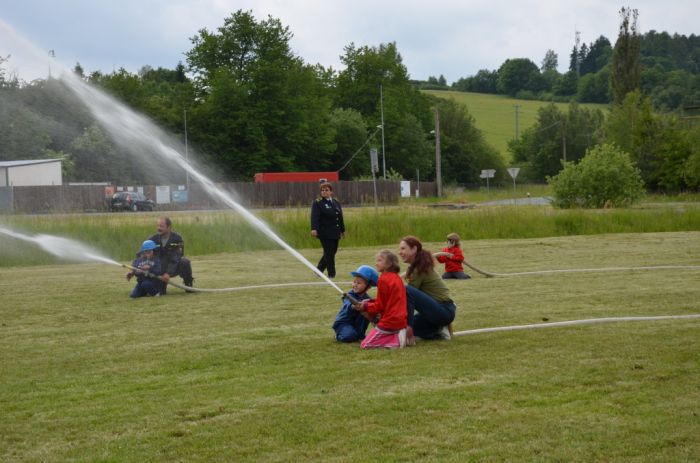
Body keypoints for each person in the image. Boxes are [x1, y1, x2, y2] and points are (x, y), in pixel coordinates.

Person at [399, 236, 456, 340]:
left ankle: (409, 330)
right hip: (439, 312)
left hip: (444, 311)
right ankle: (437, 329)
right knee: (398, 327)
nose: (400, 252)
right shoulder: (418, 266)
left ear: (414, 249)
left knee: (407, 290)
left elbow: (406, 296)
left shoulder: (419, 268)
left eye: (403, 248)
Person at [354, 250, 413, 349]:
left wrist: (365, 306)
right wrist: (369, 303)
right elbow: (386, 300)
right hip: (400, 320)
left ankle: (397, 341)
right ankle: (397, 334)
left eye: (380, 260)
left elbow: (380, 306)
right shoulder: (396, 277)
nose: (376, 263)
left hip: (390, 321)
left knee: (365, 344)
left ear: (389, 264)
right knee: (367, 303)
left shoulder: (383, 279)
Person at [332, 265, 379, 343]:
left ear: (368, 287)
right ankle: (338, 335)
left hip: (357, 325)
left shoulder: (367, 299)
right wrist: (352, 306)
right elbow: (347, 303)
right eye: (354, 282)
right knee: (350, 336)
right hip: (344, 323)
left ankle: (360, 335)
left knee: (367, 310)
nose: (355, 285)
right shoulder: (349, 295)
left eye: (359, 283)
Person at [148, 217, 194, 293]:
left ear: (169, 227)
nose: (158, 228)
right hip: (159, 269)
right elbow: (142, 254)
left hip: (174, 267)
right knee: (161, 293)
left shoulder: (177, 239)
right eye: (158, 226)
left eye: (161, 226)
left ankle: (188, 284)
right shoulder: (152, 240)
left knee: (185, 262)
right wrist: (134, 270)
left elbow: (176, 258)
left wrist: (168, 273)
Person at [310, 182, 345, 278]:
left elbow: (339, 217)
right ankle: (331, 274)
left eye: (326, 190)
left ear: (331, 191)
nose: (324, 192)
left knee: (332, 252)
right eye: (322, 190)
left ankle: (319, 270)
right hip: (324, 232)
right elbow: (314, 217)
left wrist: (342, 230)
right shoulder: (318, 203)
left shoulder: (336, 202)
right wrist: (314, 228)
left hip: (335, 232)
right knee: (329, 253)